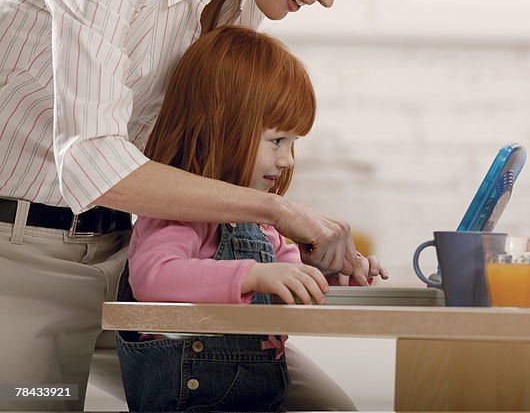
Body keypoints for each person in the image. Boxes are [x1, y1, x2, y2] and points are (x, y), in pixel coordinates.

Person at [0, 0, 393, 411]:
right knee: (34, 400)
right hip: (20, 267)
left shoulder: (238, 1)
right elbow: (94, 164)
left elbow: (197, 163)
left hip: (131, 264)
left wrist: (296, 248)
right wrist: (278, 211)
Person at [116, 25, 386, 411]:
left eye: (293, 144)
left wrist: (334, 276)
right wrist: (253, 275)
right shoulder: (180, 215)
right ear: (221, 129)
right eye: (277, 141)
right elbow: (152, 277)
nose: (288, 159)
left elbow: (292, 283)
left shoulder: (261, 228)